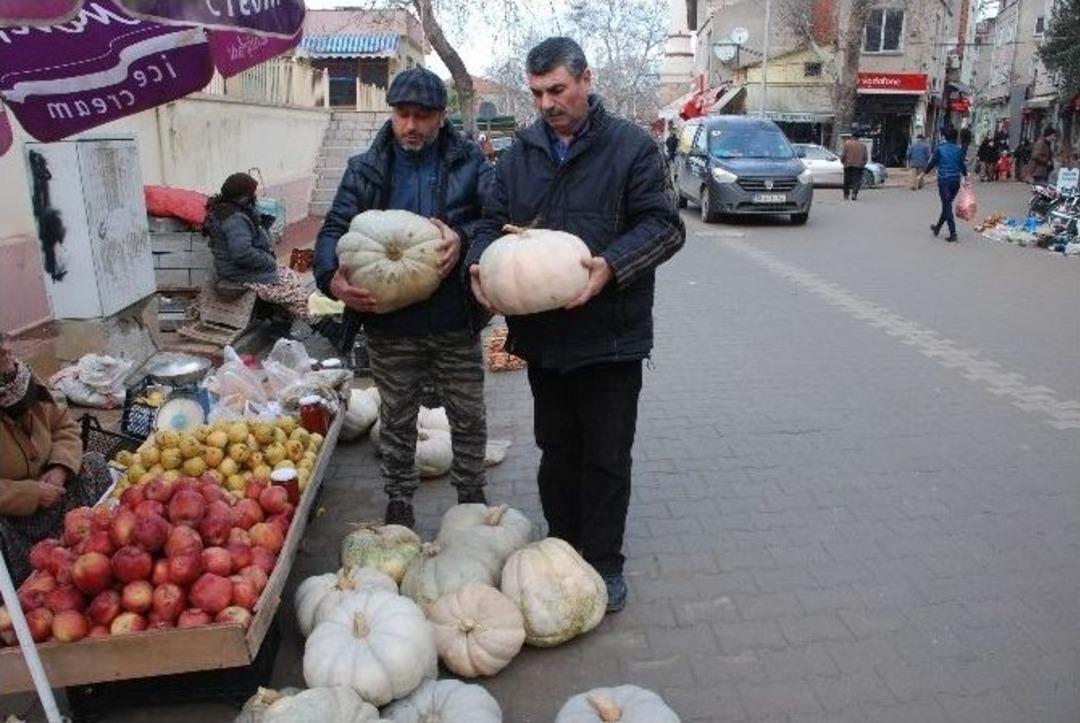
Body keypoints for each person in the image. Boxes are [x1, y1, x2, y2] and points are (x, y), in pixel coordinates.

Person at [465, 37, 685, 613]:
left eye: (557, 90)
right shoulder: (519, 154)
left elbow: (665, 226)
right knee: (556, 450)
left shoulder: (632, 148)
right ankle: (563, 548)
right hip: (545, 340)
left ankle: (606, 563)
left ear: (586, 80)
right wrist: (478, 264)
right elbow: (490, 224)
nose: (546, 103)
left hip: (612, 335)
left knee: (607, 456)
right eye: (537, 93)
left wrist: (610, 266)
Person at [313, 67, 493, 529]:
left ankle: (471, 495)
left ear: (441, 117)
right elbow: (334, 228)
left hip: (455, 316)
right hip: (389, 323)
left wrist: (466, 237)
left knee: (468, 413)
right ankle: (398, 501)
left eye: (421, 116)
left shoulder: (469, 161)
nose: (410, 126)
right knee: (396, 417)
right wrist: (332, 277)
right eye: (401, 114)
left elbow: (496, 219)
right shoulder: (366, 168)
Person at [0, 340, 113, 584]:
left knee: (93, 464)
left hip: (55, 491)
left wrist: (60, 467)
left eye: (2, 341)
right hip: (11, 516)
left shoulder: (23, 379)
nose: (6, 350)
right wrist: (30, 494)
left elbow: (64, 425)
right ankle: (29, 592)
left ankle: (93, 551)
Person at [204, 173, 312, 321]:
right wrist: (268, 262)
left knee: (292, 279)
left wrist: (263, 227)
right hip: (238, 272)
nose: (254, 196)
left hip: (242, 268)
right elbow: (242, 253)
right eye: (251, 193)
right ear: (243, 196)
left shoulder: (231, 210)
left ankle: (287, 321)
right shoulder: (234, 219)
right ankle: (291, 324)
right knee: (291, 289)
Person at [924, 125, 968, 243]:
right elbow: (962, 165)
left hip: (944, 180)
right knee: (947, 205)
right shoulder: (958, 150)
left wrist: (924, 173)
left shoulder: (940, 148)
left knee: (947, 205)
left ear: (945, 136)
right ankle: (937, 228)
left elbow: (932, 163)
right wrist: (966, 176)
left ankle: (953, 233)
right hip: (955, 181)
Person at [839, 132, 867, 200]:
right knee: (857, 180)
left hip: (848, 165)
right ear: (859, 138)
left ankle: (846, 194)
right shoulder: (863, 145)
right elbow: (865, 157)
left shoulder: (847, 144)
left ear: (852, 137)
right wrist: (863, 163)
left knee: (847, 180)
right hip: (858, 166)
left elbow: (843, 155)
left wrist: (843, 162)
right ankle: (854, 193)